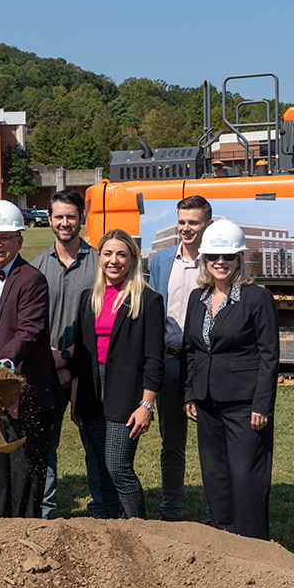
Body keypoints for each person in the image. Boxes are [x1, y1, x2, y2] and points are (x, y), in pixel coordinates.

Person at [0, 200, 61, 519]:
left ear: (19, 240)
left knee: (25, 475)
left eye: (4, 238)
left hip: (25, 392)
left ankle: (26, 536)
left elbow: (29, 332)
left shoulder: (31, 279)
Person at [183, 219, 278, 540]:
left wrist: (261, 405)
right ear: (205, 261)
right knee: (214, 473)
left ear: (239, 259)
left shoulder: (256, 298)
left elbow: (269, 356)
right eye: (213, 257)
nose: (220, 263)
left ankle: (252, 542)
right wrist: (189, 394)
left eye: (227, 257)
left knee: (246, 473)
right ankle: (224, 535)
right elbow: (192, 351)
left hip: (245, 404)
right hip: (207, 402)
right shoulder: (197, 297)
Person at [70, 229, 164, 520]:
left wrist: (146, 405)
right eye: (108, 254)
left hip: (126, 392)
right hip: (91, 388)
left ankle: (138, 530)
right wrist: (75, 400)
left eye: (121, 254)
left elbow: (154, 359)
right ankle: (115, 531)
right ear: (99, 258)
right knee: (102, 466)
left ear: (132, 259)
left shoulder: (148, 301)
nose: (114, 261)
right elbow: (80, 354)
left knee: (119, 468)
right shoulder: (88, 298)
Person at [30, 189, 103, 520]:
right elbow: (28, 323)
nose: (64, 222)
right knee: (45, 446)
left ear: (81, 219)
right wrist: (52, 360)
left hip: (90, 370)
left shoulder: (101, 263)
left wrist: (71, 357)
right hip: (47, 371)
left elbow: (107, 318)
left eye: (70, 216)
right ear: (49, 220)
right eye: (58, 216)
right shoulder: (35, 267)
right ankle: (45, 511)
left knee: (96, 447)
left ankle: (103, 508)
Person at [147, 195, 212, 523]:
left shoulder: (215, 263)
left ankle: (215, 510)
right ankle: (170, 510)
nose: (186, 228)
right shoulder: (160, 261)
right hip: (169, 362)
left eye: (194, 222)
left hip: (205, 365)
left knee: (211, 441)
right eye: (182, 222)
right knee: (172, 442)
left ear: (207, 225)